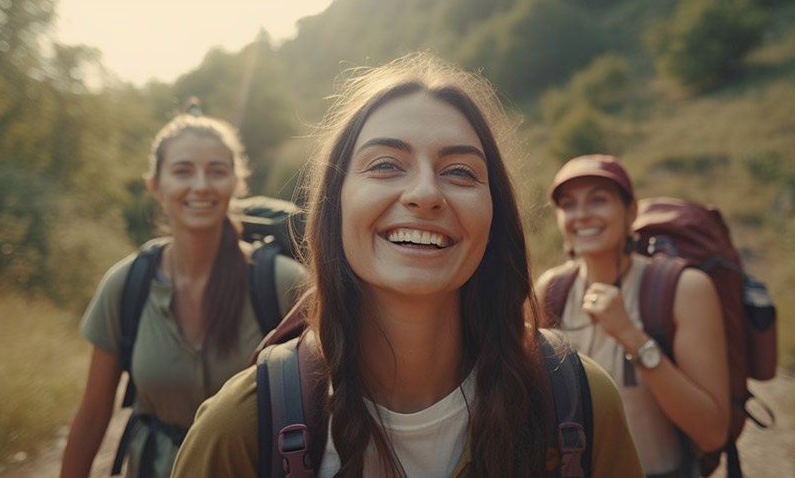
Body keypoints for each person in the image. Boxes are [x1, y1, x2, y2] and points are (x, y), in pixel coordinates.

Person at [170, 53, 643, 477]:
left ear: (494, 214)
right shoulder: (242, 428)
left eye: (459, 171)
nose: (424, 194)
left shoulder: (576, 405)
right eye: (385, 165)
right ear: (336, 206)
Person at [59, 106, 307, 478]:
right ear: (155, 187)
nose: (201, 185)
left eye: (217, 171)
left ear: (237, 184)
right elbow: (94, 415)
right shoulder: (126, 284)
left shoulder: (283, 283)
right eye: (182, 171)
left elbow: (326, 403)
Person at [536, 154, 730, 478]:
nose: (581, 215)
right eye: (568, 204)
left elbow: (712, 434)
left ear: (632, 211)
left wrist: (631, 336)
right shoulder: (552, 290)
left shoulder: (684, 288)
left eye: (598, 200)